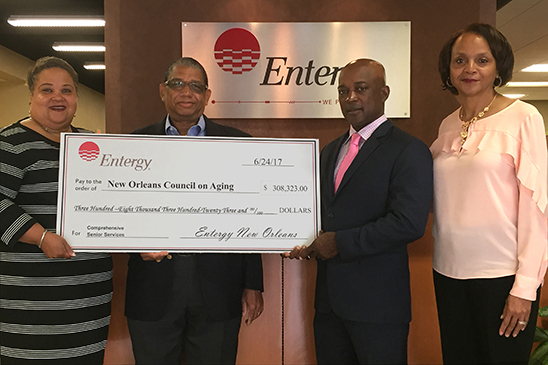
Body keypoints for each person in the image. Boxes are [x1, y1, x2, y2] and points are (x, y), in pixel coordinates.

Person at [284, 59, 433, 364]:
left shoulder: (408, 150)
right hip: (329, 307)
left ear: (384, 93)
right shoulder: (330, 151)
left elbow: (408, 223)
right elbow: (323, 215)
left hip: (378, 309)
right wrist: (293, 236)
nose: (350, 97)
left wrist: (339, 242)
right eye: (343, 91)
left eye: (361, 89)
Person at [124, 57, 264, 365]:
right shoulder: (132, 145)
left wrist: (252, 283)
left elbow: (251, 216)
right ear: (162, 91)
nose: (186, 92)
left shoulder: (239, 145)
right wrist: (136, 242)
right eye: (177, 84)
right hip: (153, 286)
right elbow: (120, 215)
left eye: (195, 86)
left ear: (207, 95)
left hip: (219, 285)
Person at [431, 23, 548, 364]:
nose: (470, 69)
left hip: (502, 278)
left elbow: (536, 208)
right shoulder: (448, 124)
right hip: (448, 273)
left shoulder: (523, 117)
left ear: (498, 66)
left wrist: (525, 288)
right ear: (448, 69)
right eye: (460, 61)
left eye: (482, 60)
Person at [0, 56, 113, 364]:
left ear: (76, 97)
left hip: (88, 304)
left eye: (66, 90)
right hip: (30, 309)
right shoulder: (11, 143)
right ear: (31, 95)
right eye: (47, 90)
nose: (57, 97)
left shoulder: (91, 144)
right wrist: (41, 237)